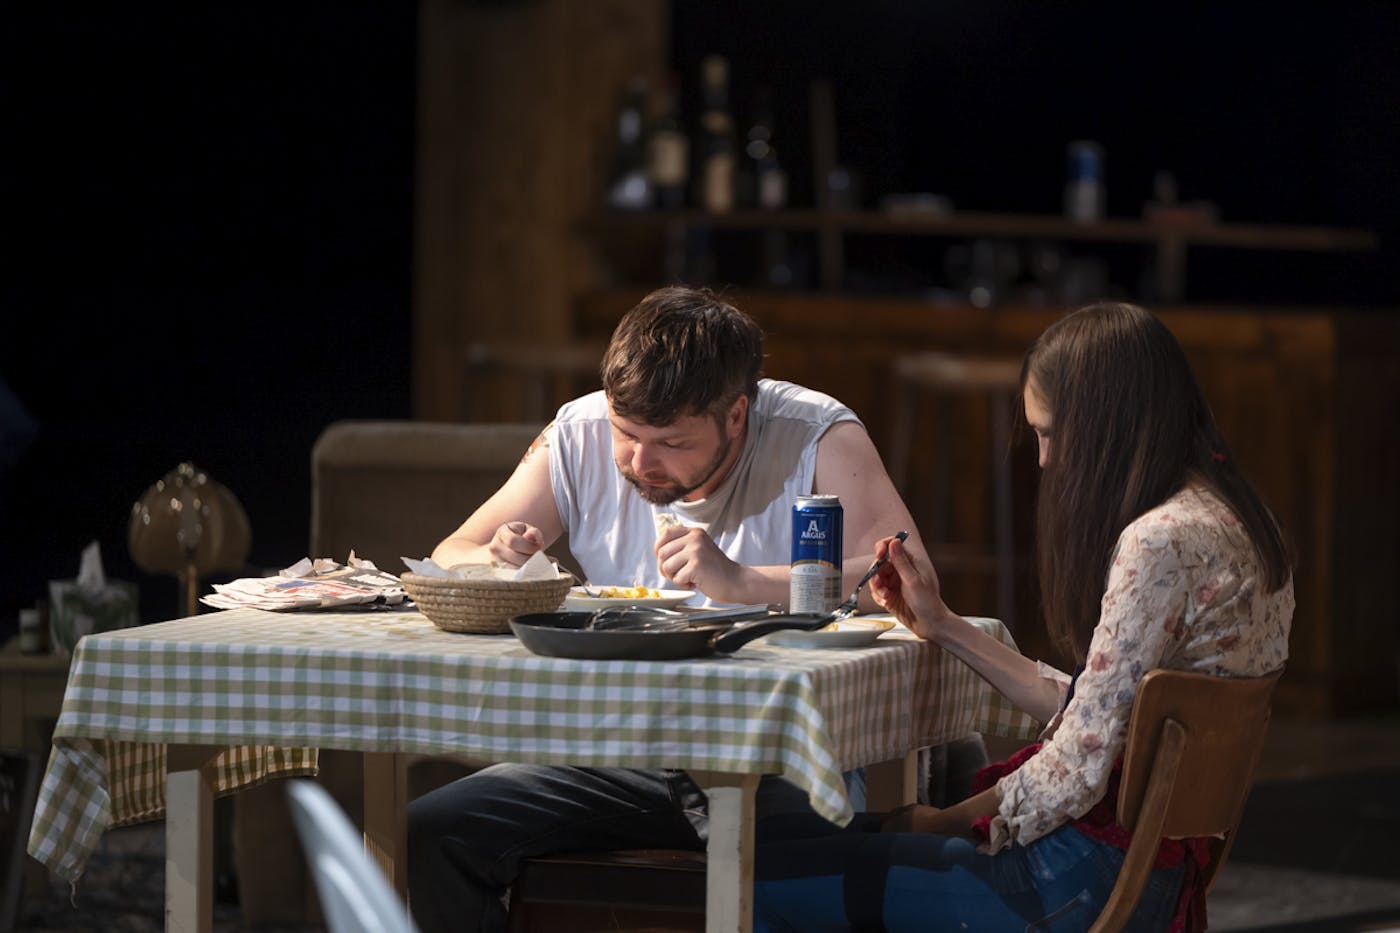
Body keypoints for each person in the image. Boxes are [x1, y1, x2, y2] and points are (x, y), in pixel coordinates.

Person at [751, 302, 1295, 933]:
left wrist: (941, 821)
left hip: (1076, 879)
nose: (1042, 459)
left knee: (758, 881)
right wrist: (943, 624)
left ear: (1107, 425)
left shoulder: (1162, 540)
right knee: (796, 847)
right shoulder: (1242, 521)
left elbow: (1076, 771)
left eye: (1049, 433)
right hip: (1148, 874)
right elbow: (1102, 718)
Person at [408, 285, 924, 933]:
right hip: (624, 747)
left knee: (802, 885)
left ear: (736, 415)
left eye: (673, 443)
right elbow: (451, 552)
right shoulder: (578, 432)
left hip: (776, 754)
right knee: (437, 830)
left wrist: (742, 580)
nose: (640, 462)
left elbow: (909, 575)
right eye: (627, 433)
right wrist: (498, 556)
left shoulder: (815, 433)